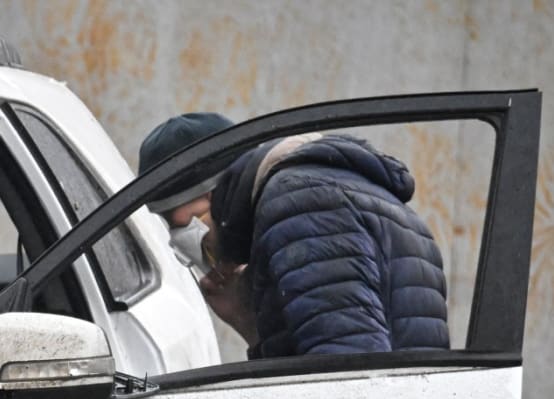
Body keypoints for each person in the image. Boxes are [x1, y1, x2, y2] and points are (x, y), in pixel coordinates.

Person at [138, 112, 449, 359]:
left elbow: (348, 372)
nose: (175, 237)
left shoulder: (299, 201)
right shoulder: (331, 192)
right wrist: (251, 323)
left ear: (212, 192)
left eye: (172, 219)